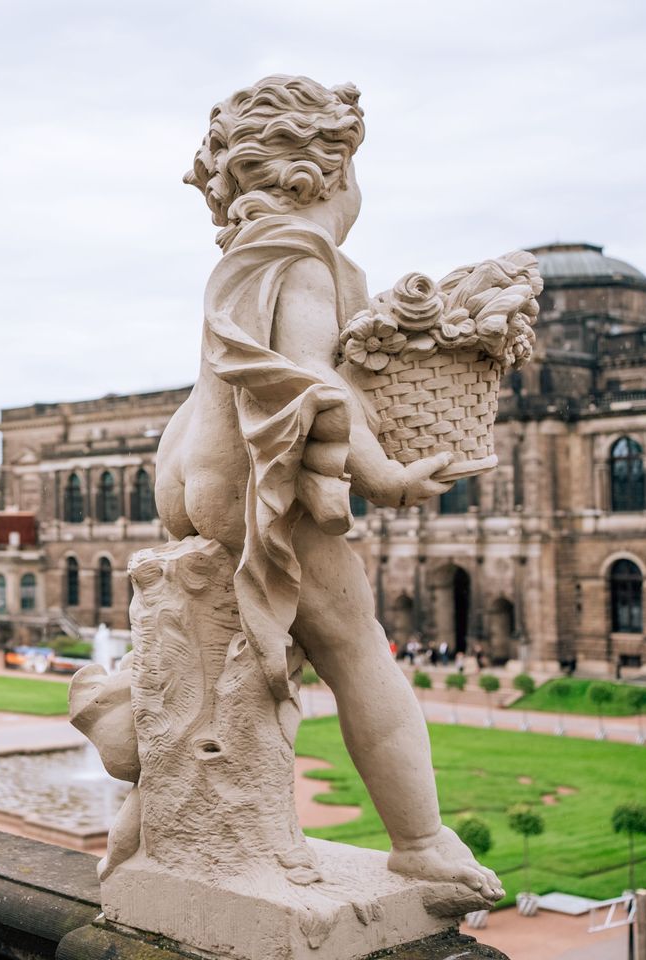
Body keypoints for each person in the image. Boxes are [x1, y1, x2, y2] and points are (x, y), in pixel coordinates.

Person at [156, 75, 500, 900]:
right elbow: (308, 373)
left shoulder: (248, 254)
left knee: (234, 658)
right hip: (252, 483)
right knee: (358, 650)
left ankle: (205, 811)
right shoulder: (311, 256)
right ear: (331, 169)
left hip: (190, 469)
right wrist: (382, 472)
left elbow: (225, 380)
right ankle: (420, 841)